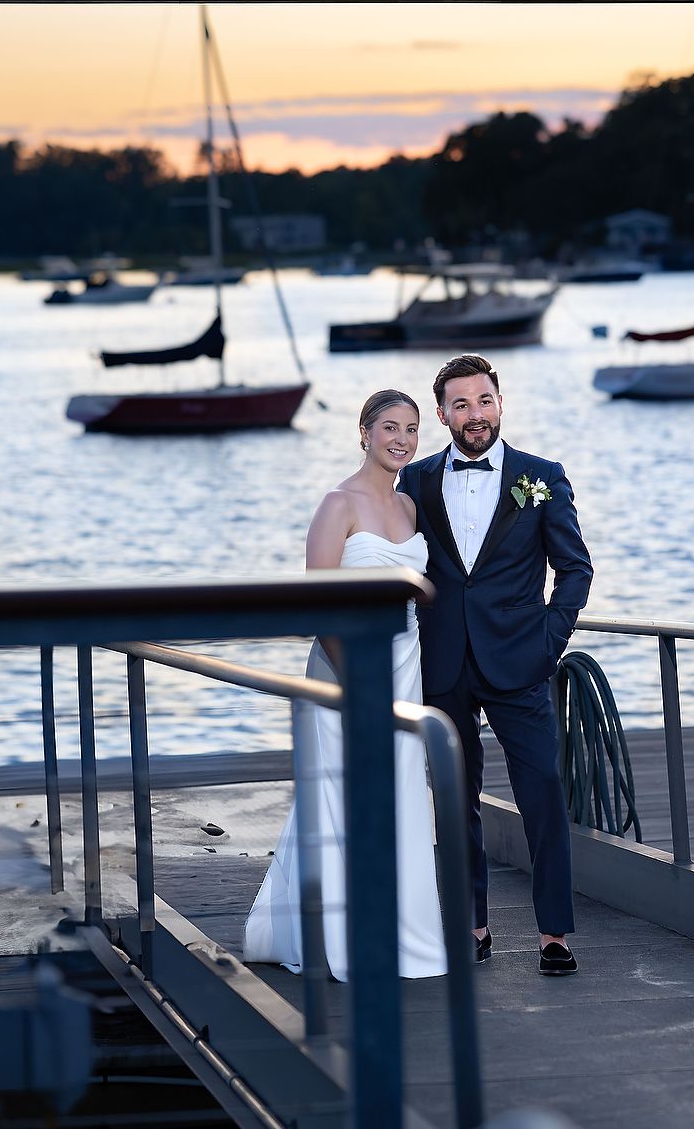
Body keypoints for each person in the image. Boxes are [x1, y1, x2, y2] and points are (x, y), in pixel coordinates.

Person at [397, 354, 593, 975]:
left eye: (483, 401)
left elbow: (575, 569)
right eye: (460, 404)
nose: (474, 414)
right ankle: (471, 927)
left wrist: (548, 639)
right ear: (442, 413)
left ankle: (555, 932)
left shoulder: (541, 476)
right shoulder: (418, 482)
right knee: (456, 804)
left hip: (521, 662)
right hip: (444, 663)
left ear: (500, 402)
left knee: (543, 793)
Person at [243, 389, 447, 982]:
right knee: (342, 797)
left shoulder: (410, 509)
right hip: (344, 671)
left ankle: (403, 932)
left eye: (411, 429)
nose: (402, 439)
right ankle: (341, 934)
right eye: (389, 427)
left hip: (405, 666)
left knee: (402, 798)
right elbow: (318, 602)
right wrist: (358, 682)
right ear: (364, 432)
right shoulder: (339, 503)